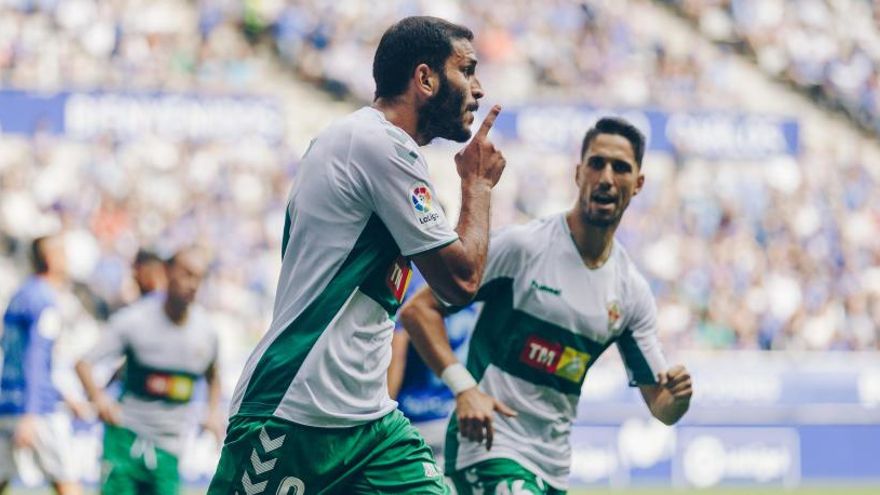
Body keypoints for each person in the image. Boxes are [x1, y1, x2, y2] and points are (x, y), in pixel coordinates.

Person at [208, 15, 506, 495]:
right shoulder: (377, 144)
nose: (477, 88)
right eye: (466, 70)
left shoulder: (365, 145)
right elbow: (461, 281)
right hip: (296, 408)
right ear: (425, 78)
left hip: (369, 423)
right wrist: (478, 186)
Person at [400, 117, 694, 494]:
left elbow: (662, 406)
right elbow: (418, 311)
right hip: (489, 447)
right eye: (596, 163)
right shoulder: (524, 249)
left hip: (553, 467)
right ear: (578, 173)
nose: (606, 177)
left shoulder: (631, 292)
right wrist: (464, 388)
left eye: (620, 167)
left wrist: (679, 397)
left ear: (637, 184)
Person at [75, 248, 223, 495]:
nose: (193, 284)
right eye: (187, 274)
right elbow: (84, 363)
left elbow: (213, 375)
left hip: (170, 447)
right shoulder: (134, 321)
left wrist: (213, 412)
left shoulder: (206, 332)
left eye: (199, 277)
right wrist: (99, 398)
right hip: (125, 440)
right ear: (166, 272)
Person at [0, 235, 83, 495]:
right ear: (50, 258)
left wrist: (66, 395)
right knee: (66, 480)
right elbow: (36, 356)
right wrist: (32, 411)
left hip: (8, 401)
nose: (68, 259)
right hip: (38, 408)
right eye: (63, 253)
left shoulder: (21, 294)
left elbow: (12, 351)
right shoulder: (45, 299)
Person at [388, 268, 479, 470]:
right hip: (453, 417)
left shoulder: (410, 275)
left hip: (421, 420)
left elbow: (395, 353)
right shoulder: (473, 276)